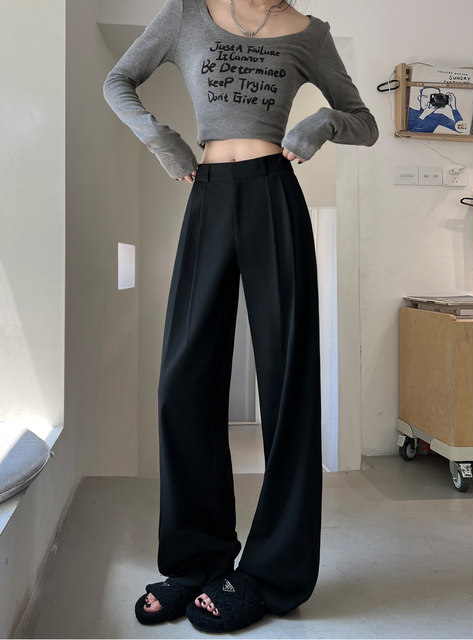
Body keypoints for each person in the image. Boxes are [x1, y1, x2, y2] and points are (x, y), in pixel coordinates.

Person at [103, 0, 379, 633]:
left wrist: (322, 123)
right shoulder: (185, 15)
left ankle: (272, 575)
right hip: (208, 195)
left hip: (274, 197)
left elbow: (364, 122)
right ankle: (194, 561)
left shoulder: (312, 34)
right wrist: (161, 139)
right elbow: (118, 81)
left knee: (288, 384)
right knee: (183, 382)